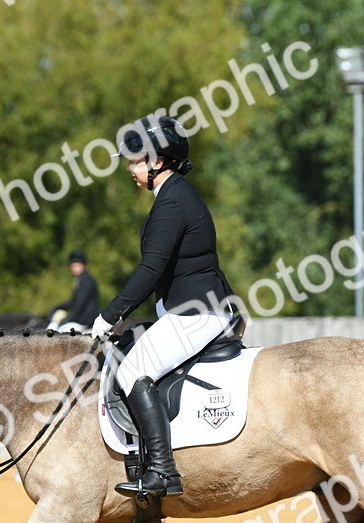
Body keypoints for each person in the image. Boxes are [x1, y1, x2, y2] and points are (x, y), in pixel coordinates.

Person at [91, 115, 238, 498]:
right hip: (196, 307)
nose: (128, 167)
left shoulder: (173, 202)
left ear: (157, 162)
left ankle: (163, 472)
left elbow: (151, 269)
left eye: (135, 160)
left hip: (196, 312)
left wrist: (110, 315)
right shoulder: (176, 195)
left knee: (133, 371)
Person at [49, 250, 99, 332]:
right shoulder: (80, 279)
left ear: (83, 265)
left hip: (84, 321)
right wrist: (59, 307)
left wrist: (69, 318)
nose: (74, 268)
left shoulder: (85, 280)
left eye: (77, 266)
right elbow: (74, 301)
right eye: (73, 266)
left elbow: (80, 303)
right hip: (81, 319)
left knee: (60, 332)